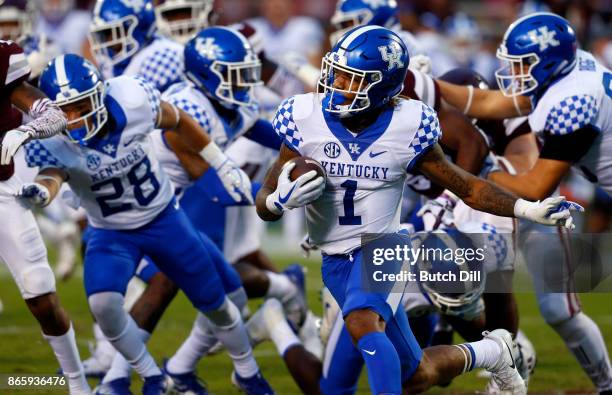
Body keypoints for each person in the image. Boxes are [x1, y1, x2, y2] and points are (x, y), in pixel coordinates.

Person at [255, 25, 581, 394]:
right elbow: (264, 198)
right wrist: (276, 201)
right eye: (337, 74)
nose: (337, 85)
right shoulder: (303, 116)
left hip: (381, 247)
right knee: (416, 375)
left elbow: (467, 186)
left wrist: (525, 208)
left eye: (351, 79)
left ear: (382, 86)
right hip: (335, 260)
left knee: (364, 322)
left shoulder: (408, 124)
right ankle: (493, 351)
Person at [25, 54, 272, 394]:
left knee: (218, 304)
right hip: (110, 232)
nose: (75, 118)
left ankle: (248, 372)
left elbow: (178, 120)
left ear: (100, 93)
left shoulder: (131, 99)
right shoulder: (51, 139)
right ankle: (151, 375)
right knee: (102, 303)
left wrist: (220, 161)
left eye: (82, 105)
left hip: (164, 219)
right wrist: (41, 191)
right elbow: (52, 174)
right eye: (65, 111)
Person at [435, 13, 612, 392]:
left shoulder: (572, 100)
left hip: (535, 195)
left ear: (547, 61)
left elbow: (534, 185)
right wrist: (428, 85)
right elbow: (489, 101)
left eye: (522, 63)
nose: (513, 71)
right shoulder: (569, 70)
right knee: (554, 309)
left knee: (559, 310)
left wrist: (479, 176)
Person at [0, 40, 90, 395]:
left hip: (1, 191)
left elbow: (52, 114)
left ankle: (78, 384)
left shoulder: (3, 58)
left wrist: (25, 130)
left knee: (41, 294)